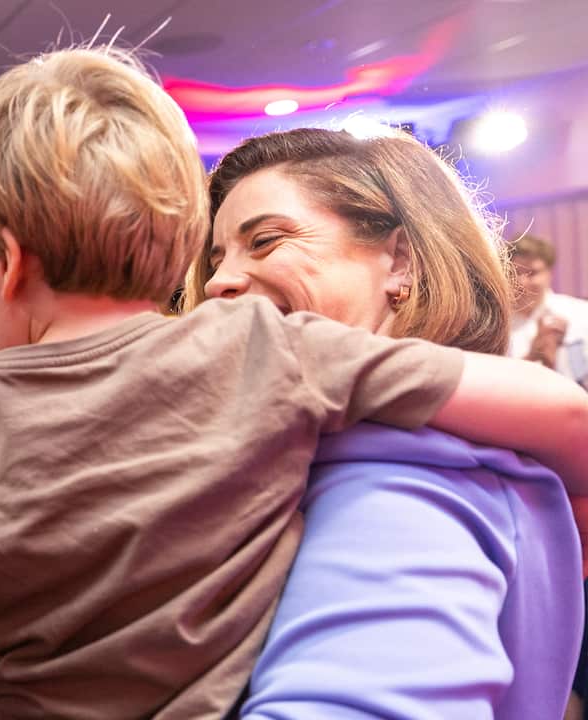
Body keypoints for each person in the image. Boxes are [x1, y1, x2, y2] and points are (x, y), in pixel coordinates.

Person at [0, 47, 588, 718]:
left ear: (11, 262)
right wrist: (567, 511)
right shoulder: (268, 348)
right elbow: (561, 410)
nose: (229, 279)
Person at [188, 126, 584, 718]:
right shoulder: (400, 448)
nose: (218, 281)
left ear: (399, 260)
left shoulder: (401, 476)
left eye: (265, 241)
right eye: (217, 258)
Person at [507, 234, 588, 388]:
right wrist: (532, 356)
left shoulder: (581, 314)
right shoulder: (495, 325)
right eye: (514, 272)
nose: (521, 282)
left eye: (532, 273)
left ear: (550, 273)